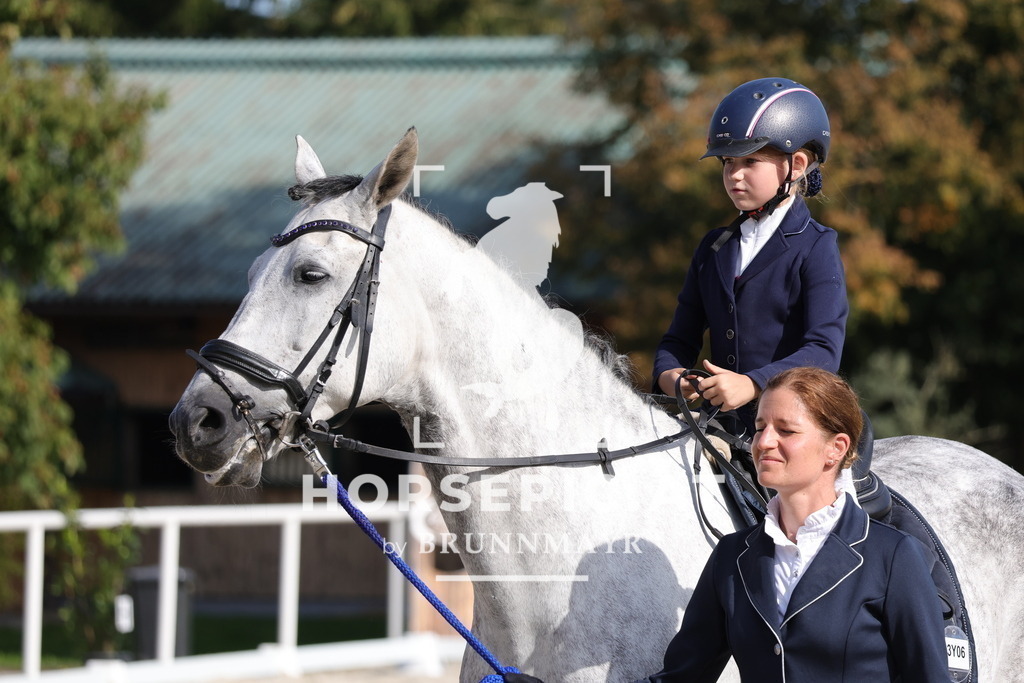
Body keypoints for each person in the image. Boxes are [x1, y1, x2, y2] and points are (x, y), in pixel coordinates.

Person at [642, 367, 949, 682]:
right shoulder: (730, 556)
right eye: (760, 427)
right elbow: (680, 678)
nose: (764, 442)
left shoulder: (895, 556)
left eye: (786, 430)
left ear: (836, 448)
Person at [653, 77, 848, 438]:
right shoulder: (713, 248)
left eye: (750, 161)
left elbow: (823, 350)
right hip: (718, 425)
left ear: (798, 164)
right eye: (727, 162)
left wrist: (753, 384)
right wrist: (671, 375)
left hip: (792, 427)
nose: (733, 175)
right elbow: (679, 339)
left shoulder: (817, 246)